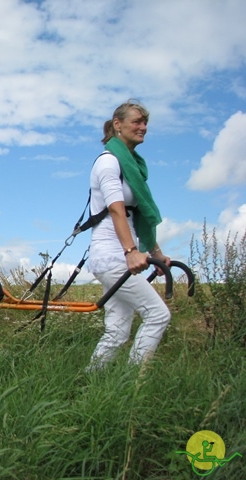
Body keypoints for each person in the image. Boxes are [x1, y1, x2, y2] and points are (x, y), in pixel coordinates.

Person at [87, 100, 171, 370]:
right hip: (113, 256)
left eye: (145, 122)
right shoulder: (109, 162)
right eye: (137, 121)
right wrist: (130, 252)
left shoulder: (132, 166)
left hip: (121, 252)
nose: (143, 127)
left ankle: (90, 380)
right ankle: (134, 385)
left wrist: (155, 253)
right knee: (157, 315)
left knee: (117, 331)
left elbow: (136, 216)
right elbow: (115, 209)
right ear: (117, 125)